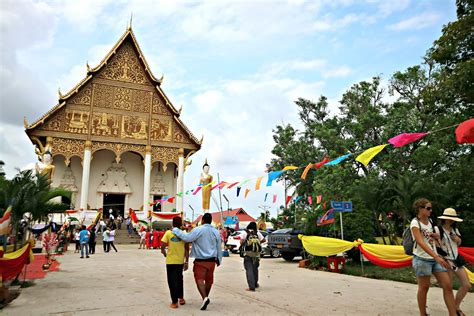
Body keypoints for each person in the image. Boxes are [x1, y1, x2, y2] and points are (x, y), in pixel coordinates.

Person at [410, 198, 456, 316]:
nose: (431, 210)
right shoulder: (415, 223)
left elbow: (430, 240)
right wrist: (436, 257)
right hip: (422, 259)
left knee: (447, 285)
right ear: (420, 209)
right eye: (428, 208)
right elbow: (420, 242)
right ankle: (423, 314)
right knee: (424, 288)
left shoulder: (430, 221)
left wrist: (435, 237)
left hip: (434, 258)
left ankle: (453, 314)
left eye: (431, 208)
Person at [172, 213, 222, 311]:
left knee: (199, 279)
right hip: (212, 261)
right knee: (209, 281)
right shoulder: (216, 232)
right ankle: (206, 297)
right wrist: (219, 259)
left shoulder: (198, 229)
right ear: (211, 221)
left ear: (202, 220)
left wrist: (176, 230)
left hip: (200, 260)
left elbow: (187, 238)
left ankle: (205, 298)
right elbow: (219, 246)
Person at [438, 208, 471, 316]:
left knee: (466, 285)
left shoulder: (454, 229)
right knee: (448, 287)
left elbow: (459, 242)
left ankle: (456, 306)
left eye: (453, 219)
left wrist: (456, 238)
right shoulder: (438, 230)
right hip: (446, 260)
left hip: (456, 259)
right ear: (445, 219)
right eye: (449, 218)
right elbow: (436, 246)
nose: (451, 220)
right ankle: (452, 312)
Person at [161, 217, 190, 309]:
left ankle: (174, 302)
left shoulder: (168, 233)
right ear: (181, 224)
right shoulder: (184, 234)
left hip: (170, 261)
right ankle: (181, 298)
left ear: (172, 224)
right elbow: (187, 249)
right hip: (180, 261)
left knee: (171, 281)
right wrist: (187, 262)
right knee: (179, 279)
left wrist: (164, 252)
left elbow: (162, 245)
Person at [240, 222, 265, 291]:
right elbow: (264, 240)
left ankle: (251, 287)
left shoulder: (245, 233)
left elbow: (241, 242)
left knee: (249, 270)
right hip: (256, 254)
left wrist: (247, 243)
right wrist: (257, 243)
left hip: (247, 254)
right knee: (255, 269)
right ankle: (255, 284)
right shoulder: (257, 233)